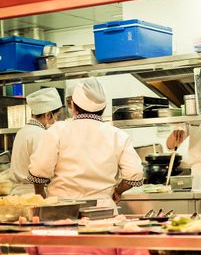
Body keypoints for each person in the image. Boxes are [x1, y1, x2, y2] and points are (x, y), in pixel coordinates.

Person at [27, 78, 144, 208]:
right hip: (103, 208)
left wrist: (40, 193)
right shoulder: (118, 135)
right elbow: (135, 173)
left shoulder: (58, 130)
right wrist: (118, 191)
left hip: (63, 207)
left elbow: (39, 169)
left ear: (73, 105)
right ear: (104, 107)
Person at [8, 88, 62, 195]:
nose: (58, 120)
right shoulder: (42, 134)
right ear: (48, 115)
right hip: (35, 193)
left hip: (17, 192)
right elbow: (42, 169)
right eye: (58, 116)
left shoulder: (22, 132)